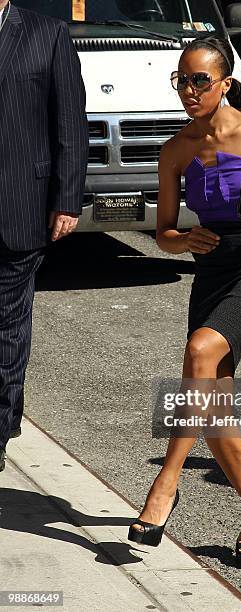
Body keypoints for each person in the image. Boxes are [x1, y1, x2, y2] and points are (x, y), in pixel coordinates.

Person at [127, 35, 241, 568]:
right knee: (214, 407)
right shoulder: (176, 149)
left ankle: (165, 486)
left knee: (200, 349)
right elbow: (163, 231)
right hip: (210, 267)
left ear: (225, 84)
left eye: (199, 80)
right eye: (180, 80)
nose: (188, 91)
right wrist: (183, 241)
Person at [0, 1, 88, 472]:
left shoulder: (47, 34)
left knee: (7, 328)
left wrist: (68, 199)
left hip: (19, 208)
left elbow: (70, 122)